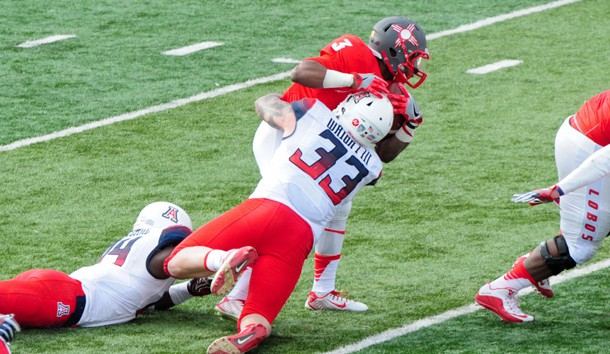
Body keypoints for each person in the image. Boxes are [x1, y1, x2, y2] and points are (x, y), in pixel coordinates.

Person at [215, 16, 430, 319]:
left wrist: (409, 128)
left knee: (338, 210)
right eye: (413, 58)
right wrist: (353, 81)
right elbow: (301, 73)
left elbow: (384, 155)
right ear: (394, 51)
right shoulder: (356, 52)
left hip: (319, 154)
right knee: (287, 216)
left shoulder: (396, 93)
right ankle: (235, 293)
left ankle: (322, 291)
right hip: (286, 134)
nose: (416, 68)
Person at [165, 91, 395, 353]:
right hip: (299, 239)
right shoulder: (373, 168)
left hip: (267, 209)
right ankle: (252, 332)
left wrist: (275, 96)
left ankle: (224, 259)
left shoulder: (313, 112)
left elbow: (265, 106)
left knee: (175, 261)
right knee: (259, 315)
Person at [475, 89, 610, 322]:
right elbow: (604, 160)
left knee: (596, 220)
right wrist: (559, 190)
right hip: (590, 149)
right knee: (580, 247)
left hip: (592, 137)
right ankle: (499, 289)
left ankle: (534, 263)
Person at [0, 201, 212, 330]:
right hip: (65, 299)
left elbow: (149, 301)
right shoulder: (163, 251)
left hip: (60, 291)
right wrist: (218, 260)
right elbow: (176, 260)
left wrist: (188, 290)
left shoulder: (139, 259)